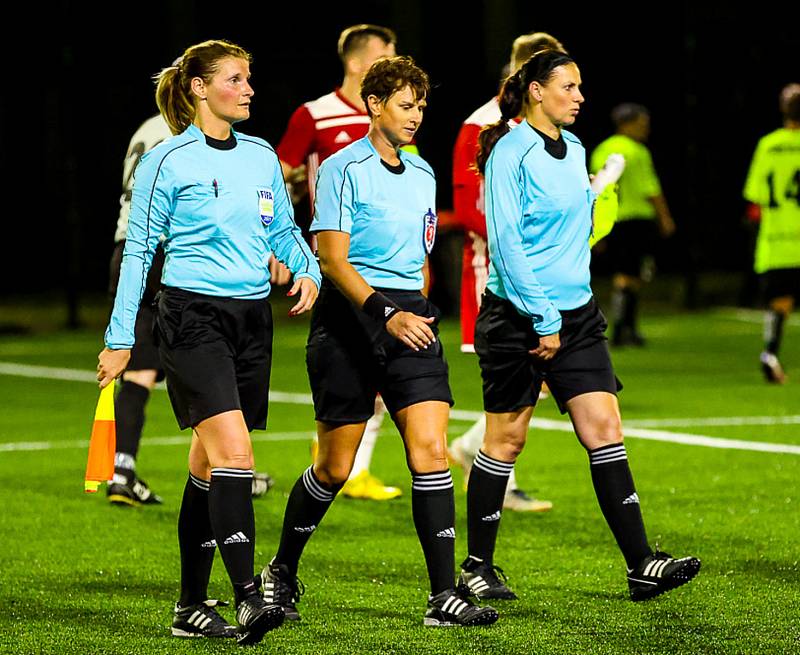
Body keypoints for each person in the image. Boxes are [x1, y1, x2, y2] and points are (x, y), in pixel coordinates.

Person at [260, 56, 498, 628]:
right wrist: (384, 313)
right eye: (405, 104)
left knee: (431, 453)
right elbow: (332, 260)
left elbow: (415, 259)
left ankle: (444, 595)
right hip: (351, 323)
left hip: (408, 321)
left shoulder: (422, 174)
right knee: (335, 468)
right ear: (374, 105)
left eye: (420, 105)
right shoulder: (343, 168)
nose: (416, 115)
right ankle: (282, 570)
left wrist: (411, 307)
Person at [97, 40, 321, 645]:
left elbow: (284, 229)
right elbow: (140, 250)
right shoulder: (166, 161)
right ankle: (250, 597)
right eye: (235, 79)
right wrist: (121, 338)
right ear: (199, 87)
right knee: (236, 456)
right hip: (191, 318)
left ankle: (191, 606)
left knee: (205, 462)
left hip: (252, 321)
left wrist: (308, 268)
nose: (249, 89)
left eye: (250, 79)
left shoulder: (261, 155)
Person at [458, 49, 700, 603]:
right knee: (506, 439)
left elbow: (581, 232)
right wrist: (543, 318)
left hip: (578, 315)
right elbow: (508, 244)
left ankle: (642, 564)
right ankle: (477, 565)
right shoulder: (509, 153)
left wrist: (602, 196)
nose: (580, 96)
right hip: (520, 316)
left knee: (604, 430)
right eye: (568, 86)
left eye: (580, 86)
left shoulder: (575, 149)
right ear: (537, 92)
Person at [105, 113, 274, 506]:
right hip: (174, 254)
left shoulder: (144, 127)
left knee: (141, 373)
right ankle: (230, 468)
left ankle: (122, 470)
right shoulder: (192, 138)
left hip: (126, 245)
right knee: (213, 362)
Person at [277, 23, 404, 501]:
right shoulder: (315, 115)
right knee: (354, 365)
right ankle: (339, 461)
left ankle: (355, 467)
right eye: (385, 56)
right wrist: (280, 244)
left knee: (390, 367)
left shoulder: (394, 119)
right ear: (356, 63)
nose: (395, 65)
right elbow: (281, 174)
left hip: (388, 265)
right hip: (339, 263)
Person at [448, 32, 564, 513]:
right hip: (492, 269)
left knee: (535, 373)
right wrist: (514, 238)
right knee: (518, 373)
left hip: (540, 272)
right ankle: (498, 477)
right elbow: (464, 203)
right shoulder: (482, 124)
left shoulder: (543, 129)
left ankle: (474, 451)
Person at [590, 103, 676, 346]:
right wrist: (665, 218)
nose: (645, 129)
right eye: (641, 124)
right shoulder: (637, 152)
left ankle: (625, 328)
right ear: (626, 124)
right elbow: (651, 190)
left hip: (610, 219)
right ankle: (623, 328)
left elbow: (595, 189)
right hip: (636, 220)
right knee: (632, 276)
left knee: (623, 274)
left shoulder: (601, 149)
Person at [743, 83, 800, 383]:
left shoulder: (769, 144)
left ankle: (771, 352)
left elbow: (755, 195)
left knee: (780, 302)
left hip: (778, 239)